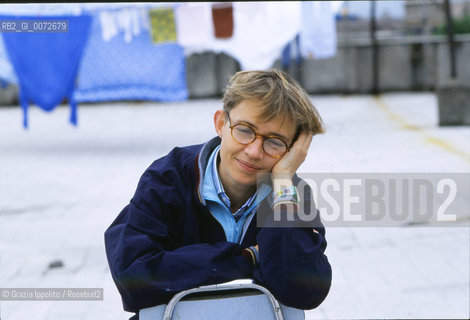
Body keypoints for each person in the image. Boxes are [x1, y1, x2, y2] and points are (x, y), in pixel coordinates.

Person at [104, 69, 332, 318]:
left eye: (275, 142)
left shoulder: (289, 193)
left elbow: (305, 291)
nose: (254, 151)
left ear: (292, 152)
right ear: (221, 124)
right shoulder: (167, 178)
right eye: (245, 130)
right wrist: (250, 257)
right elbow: (134, 278)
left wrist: (283, 182)